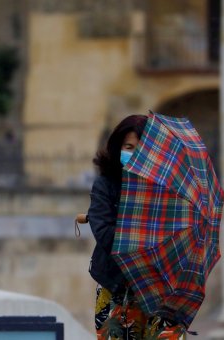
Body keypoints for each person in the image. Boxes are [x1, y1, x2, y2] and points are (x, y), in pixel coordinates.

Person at [88, 114, 186, 340]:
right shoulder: (106, 186)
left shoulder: (168, 188)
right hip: (116, 286)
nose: (135, 154)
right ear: (118, 148)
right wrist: (144, 232)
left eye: (141, 148)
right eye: (129, 147)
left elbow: (177, 234)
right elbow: (104, 233)